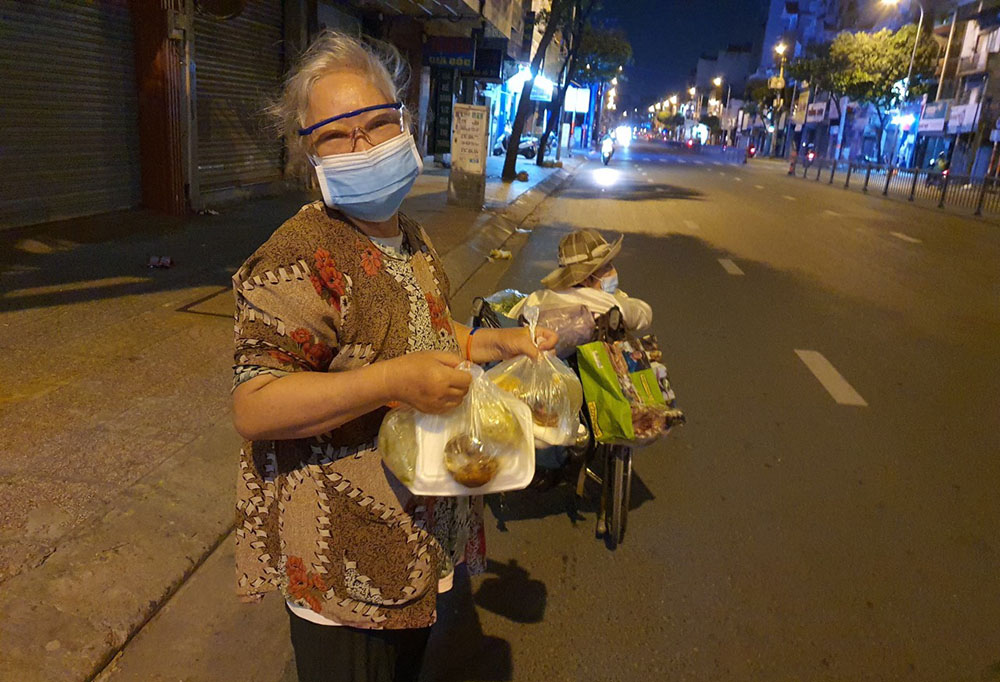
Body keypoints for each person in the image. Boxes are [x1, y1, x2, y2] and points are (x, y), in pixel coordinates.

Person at [230, 32, 556, 682]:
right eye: (337, 135)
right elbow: (255, 405)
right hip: (345, 568)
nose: (365, 146)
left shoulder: (408, 234)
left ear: (404, 124)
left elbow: (424, 337)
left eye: (379, 124)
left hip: (414, 545)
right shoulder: (297, 254)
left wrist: (499, 342)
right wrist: (389, 383)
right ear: (307, 153)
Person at [508, 228, 652, 332]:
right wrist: (620, 300)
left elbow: (512, 319)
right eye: (606, 267)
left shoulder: (537, 298)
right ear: (585, 279)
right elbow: (643, 314)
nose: (613, 271)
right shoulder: (602, 302)